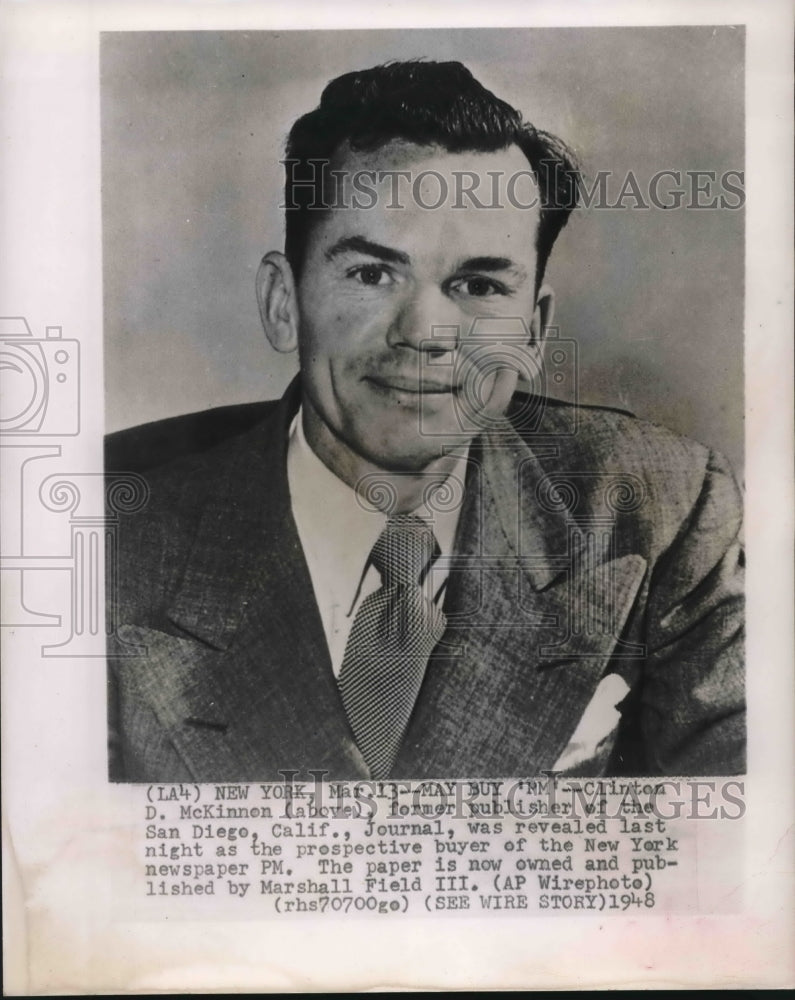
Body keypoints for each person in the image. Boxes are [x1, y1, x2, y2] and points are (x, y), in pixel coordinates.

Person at [106, 60, 745, 782]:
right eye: (373, 274)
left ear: (532, 332)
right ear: (283, 303)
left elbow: (736, 850)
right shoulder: (107, 538)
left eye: (477, 285)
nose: (427, 331)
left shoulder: (661, 507)